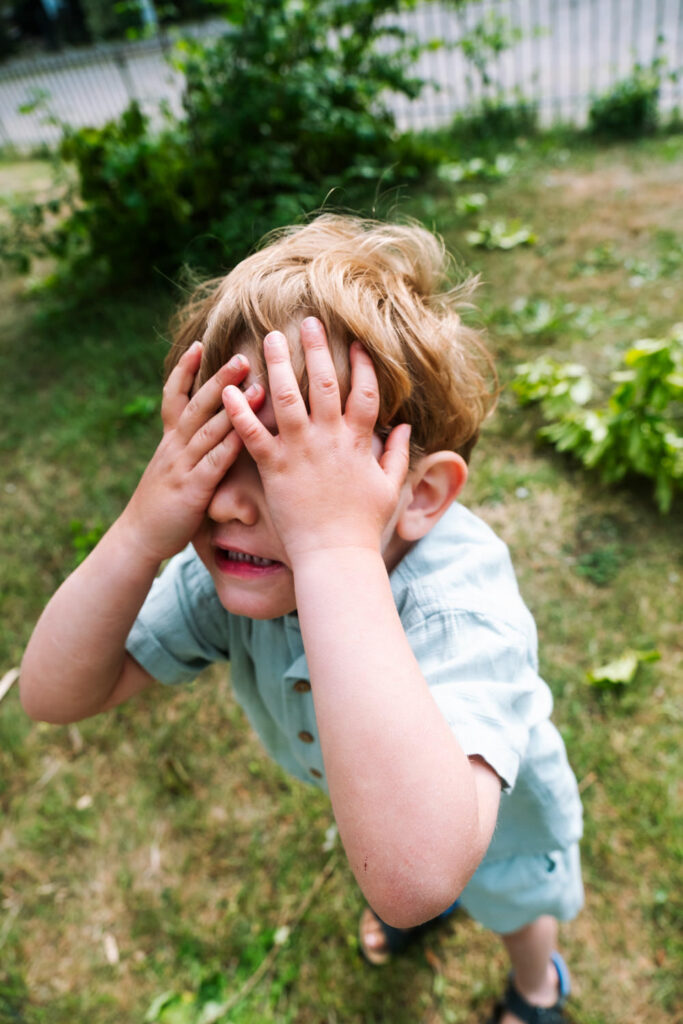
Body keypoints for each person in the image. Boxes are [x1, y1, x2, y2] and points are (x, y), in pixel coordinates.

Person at [20, 215, 583, 1024]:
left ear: (419, 496)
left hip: (490, 818)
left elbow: (414, 875)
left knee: (510, 901)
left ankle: (537, 989)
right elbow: (53, 694)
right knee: (388, 839)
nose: (225, 502)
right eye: (216, 446)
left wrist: (326, 545)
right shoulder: (233, 566)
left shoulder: (456, 608)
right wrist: (141, 530)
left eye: (298, 469)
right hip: (387, 811)